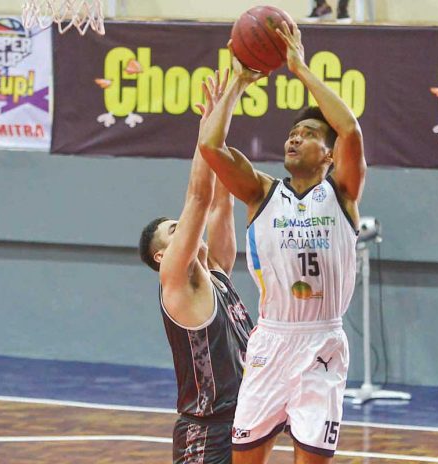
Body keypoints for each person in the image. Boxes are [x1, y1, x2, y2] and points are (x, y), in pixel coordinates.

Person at [199, 21, 365, 464]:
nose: (296, 137)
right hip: (271, 340)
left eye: (310, 134)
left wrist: (300, 68)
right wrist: (237, 81)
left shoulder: (342, 193)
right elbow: (212, 147)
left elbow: (350, 129)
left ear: (329, 155)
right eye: (294, 133)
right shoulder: (261, 192)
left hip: (321, 342)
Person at [139, 69, 254, 464]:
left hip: (246, 423)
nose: (184, 228)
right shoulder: (176, 284)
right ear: (161, 256)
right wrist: (207, 129)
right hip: (207, 431)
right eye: (174, 230)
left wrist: (221, 122)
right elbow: (199, 198)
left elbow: (223, 200)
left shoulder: (218, 272)